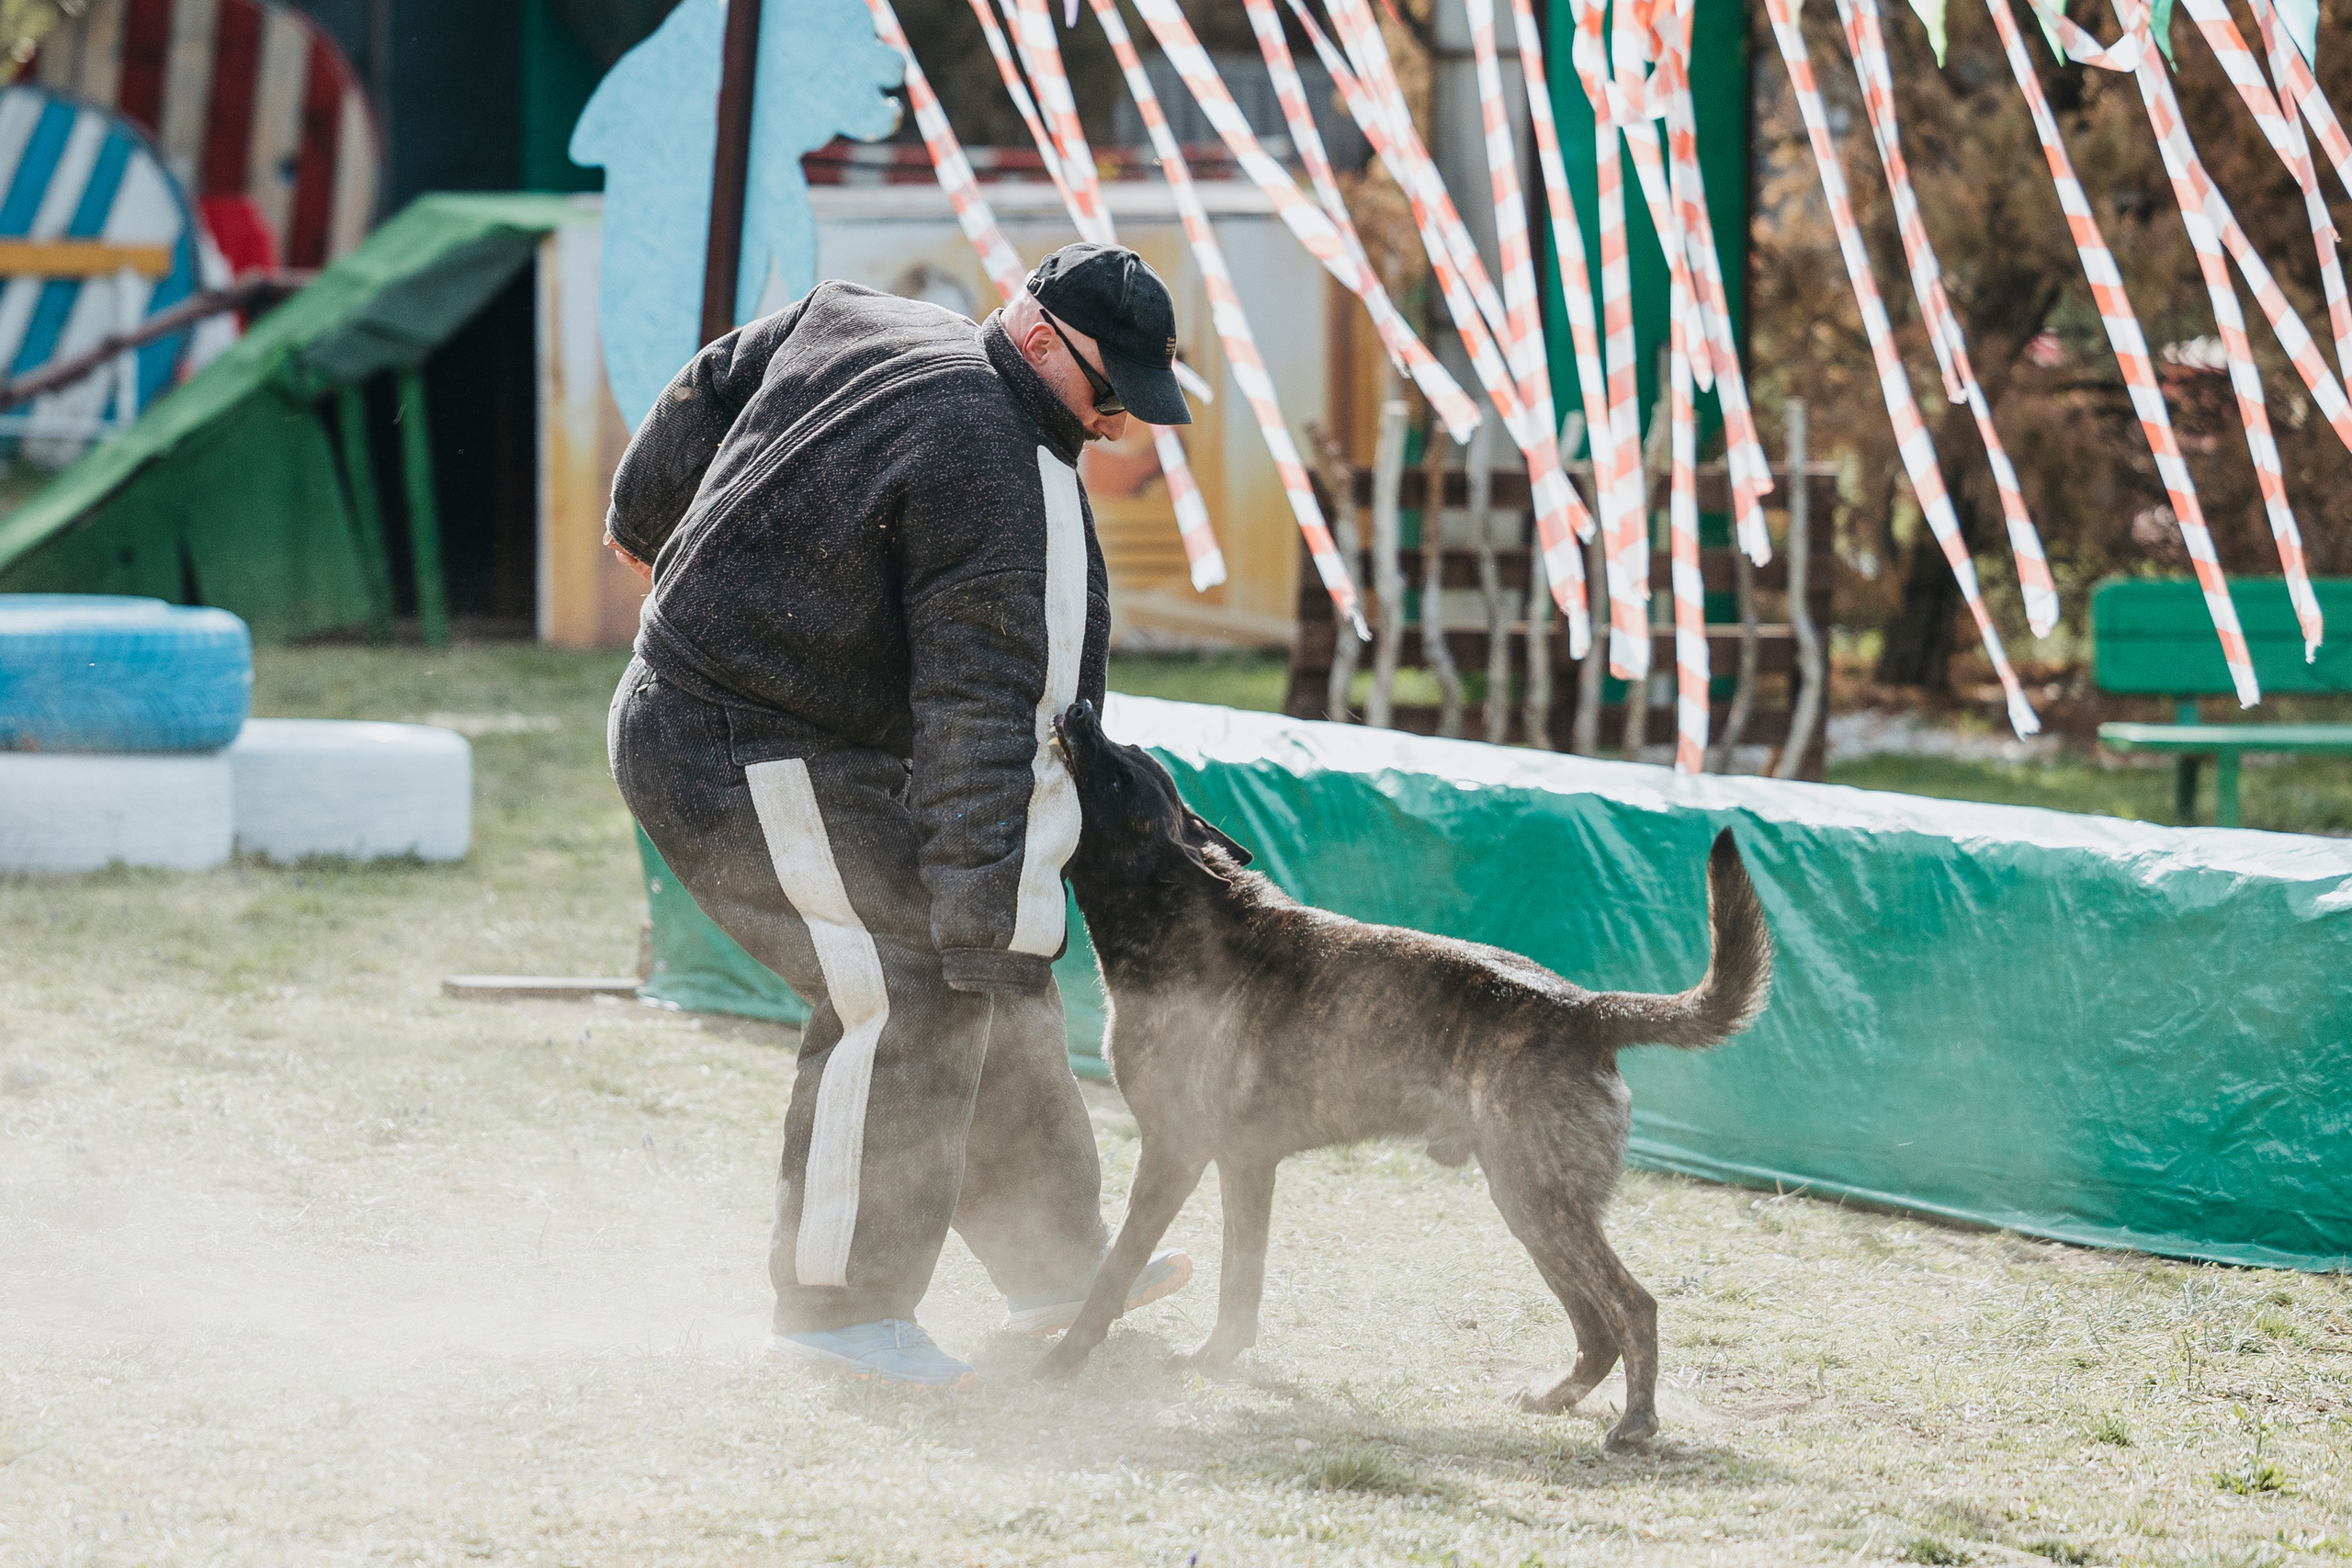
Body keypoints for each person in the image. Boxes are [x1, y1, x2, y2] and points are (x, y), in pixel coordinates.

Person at [604, 243, 1194, 1389]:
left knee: (983, 981)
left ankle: (1058, 1267)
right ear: (1038, 338)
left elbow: (723, 371)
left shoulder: (862, 315)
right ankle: (838, 1319)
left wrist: (646, 523)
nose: (1116, 423)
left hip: (795, 733)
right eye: (1106, 392)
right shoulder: (1002, 479)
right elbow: (997, 722)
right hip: (731, 743)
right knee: (910, 983)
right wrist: (993, 918)